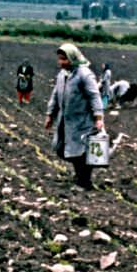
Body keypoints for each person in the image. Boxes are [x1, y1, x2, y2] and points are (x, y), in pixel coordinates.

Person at [44, 43, 104, 190]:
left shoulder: (85, 74)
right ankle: (80, 176)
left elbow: (94, 96)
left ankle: (84, 182)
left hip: (82, 121)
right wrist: (50, 115)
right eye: (59, 59)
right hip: (66, 121)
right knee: (62, 149)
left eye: (64, 59)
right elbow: (55, 95)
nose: (61, 62)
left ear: (73, 57)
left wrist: (98, 118)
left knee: (81, 152)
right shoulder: (62, 75)